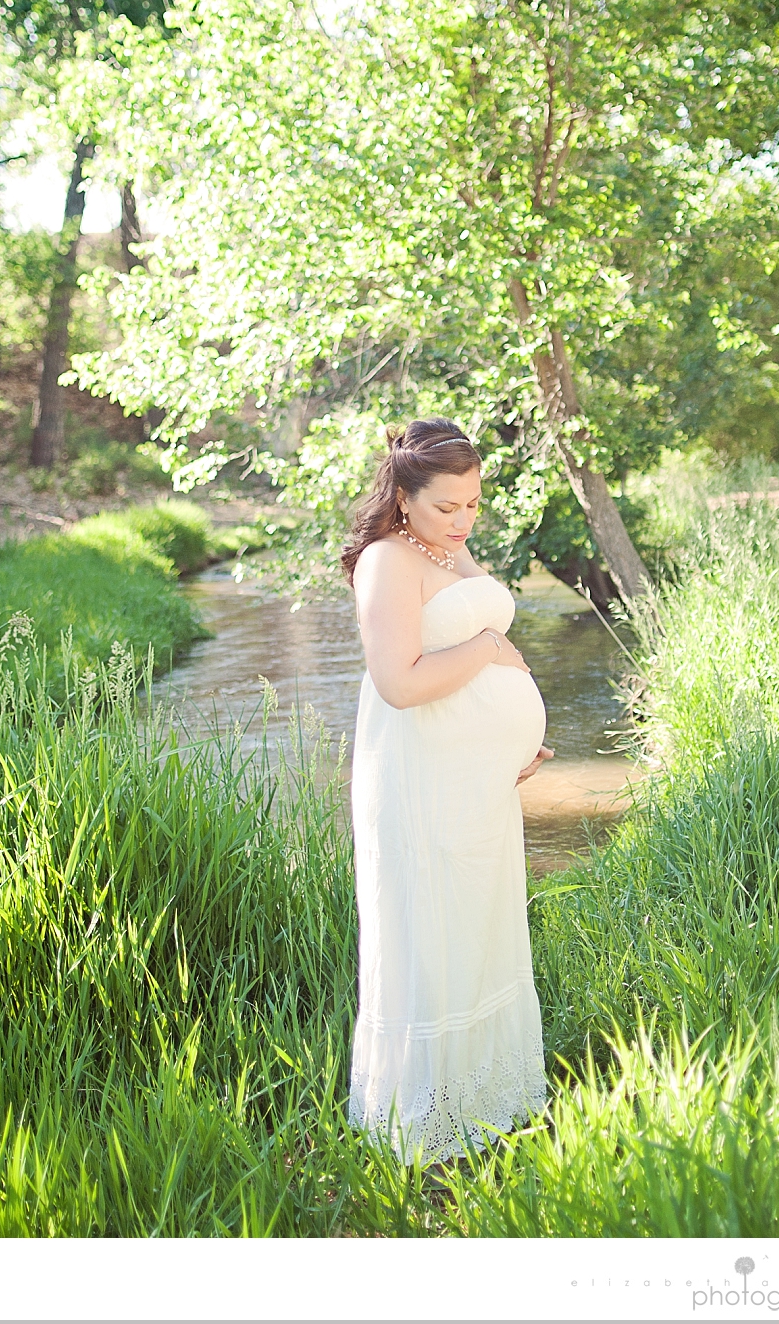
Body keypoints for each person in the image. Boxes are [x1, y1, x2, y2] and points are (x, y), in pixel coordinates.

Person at [341, 417, 554, 1166]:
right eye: (446, 506)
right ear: (403, 497)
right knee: (433, 936)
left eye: (473, 504)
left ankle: (486, 1100)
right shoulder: (387, 562)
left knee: (481, 928)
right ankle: (428, 1122)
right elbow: (399, 684)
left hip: (477, 783)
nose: (464, 520)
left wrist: (518, 738)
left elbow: (483, 639)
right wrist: (490, 649)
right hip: (422, 783)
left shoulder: (448, 549)